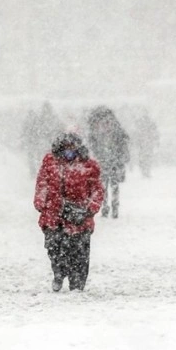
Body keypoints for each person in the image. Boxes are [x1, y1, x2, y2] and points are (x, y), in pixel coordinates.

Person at [34, 132, 104, 292]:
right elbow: (42, 183)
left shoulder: (89, 166)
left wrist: (89, 209)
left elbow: (97, 190)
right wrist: (40, 202)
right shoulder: (50, 162)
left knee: (79, 253)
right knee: (54, 247)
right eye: (66, 148)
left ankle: (77, 284)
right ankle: (59, 272)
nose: (69, 151)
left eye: (72, 148)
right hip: (53, 215)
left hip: (79, 217)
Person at [87, 106, 130, 218]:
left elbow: (92, 144)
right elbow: (124, 142)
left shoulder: (96, 128)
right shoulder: (116, 127)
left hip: (104, 161)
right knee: (113, 186)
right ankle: (113, 207)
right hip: (113, 161)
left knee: (104, 186)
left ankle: (106, 207)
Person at [133, 111, 160, 178]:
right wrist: (156, 141)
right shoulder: (150, 124)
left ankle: (145, 171)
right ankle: (146, 171)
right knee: (147, 158)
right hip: (147, 144)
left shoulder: (141, 125)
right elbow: (155, 134)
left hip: (144, 144)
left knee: (144, 158)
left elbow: (137, 134)